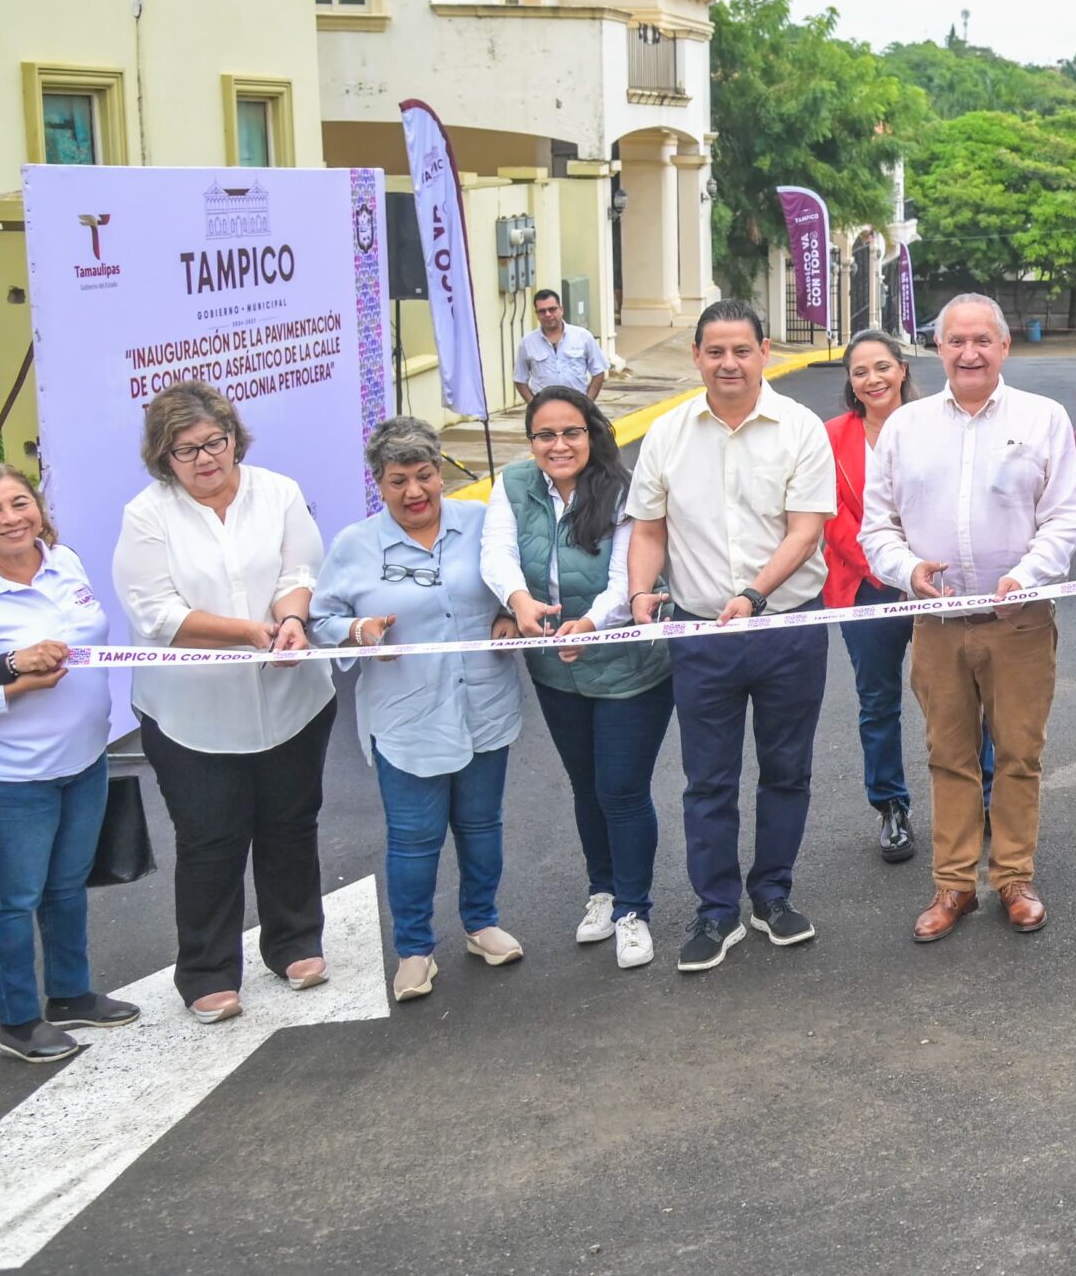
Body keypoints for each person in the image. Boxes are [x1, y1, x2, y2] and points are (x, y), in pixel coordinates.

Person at [863, 294, 1076, 942]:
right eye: (956, 341)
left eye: (982, 340)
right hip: (937, 623)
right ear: (938, 349)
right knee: (950, 755)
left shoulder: (1042, 418)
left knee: (1019, 752)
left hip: (1019, 619)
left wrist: (1029, 574)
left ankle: (1013, 876)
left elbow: (1064, 517)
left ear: (1005, 346)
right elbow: (877, 527)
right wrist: (908, 572)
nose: (969, 352)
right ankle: (954, 884)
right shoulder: (906, 427)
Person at [624, 300, 837, 972]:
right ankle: (716, 911)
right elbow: (649, 528)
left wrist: (753, 595)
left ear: (764, 351)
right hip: (700, 633)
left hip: (785, 628)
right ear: (696, 356)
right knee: (707, 779)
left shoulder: (800, 428)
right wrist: (638, 595)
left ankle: (772, 895)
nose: (728, 363)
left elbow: (807, 530)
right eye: (714, 351)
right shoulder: (667, 433)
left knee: (786, 770)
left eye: (741, 350)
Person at [113, 381, 334, 1021]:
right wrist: (249, 634)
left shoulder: (278, 492)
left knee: (292, 825)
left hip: (292, 700)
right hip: (192, 717)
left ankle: (294, 942)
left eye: (216, 441)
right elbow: (156, 613)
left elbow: (303, 573)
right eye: (187, 451)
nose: (207, 458)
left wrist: (291, 620)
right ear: (164, 458)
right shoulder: (147, 514)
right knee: (210, 840)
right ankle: (208, 971)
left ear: (234, 436)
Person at [311, 418, 525, 1004]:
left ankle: (482, 925)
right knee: (413, 839)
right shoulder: (355, 546)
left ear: (439, 472)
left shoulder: (479, 523)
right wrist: (358, 629)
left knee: (482, 826)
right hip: (406, 717)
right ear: (378, 483)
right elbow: (318, 621)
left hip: (482, 703)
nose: (414, 492)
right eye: (398, 480)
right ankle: (414, 951)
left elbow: (510, 578)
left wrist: (507, 612)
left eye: (425, 476)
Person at [0, 465, 138, 1063]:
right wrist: (13, 677)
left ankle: (71, 993)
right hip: (6, 777)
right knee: (15, 899)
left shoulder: (65, 561)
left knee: (66, 887)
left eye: (20, 502)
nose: (11, 518)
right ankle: (18, 1021)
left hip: (83, 760)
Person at [482, 386, 673, 971]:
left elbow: (628, 575)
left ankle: (634, 910)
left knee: (620, 787)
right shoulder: (514, 484)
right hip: (555, 669)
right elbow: (497, 552)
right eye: (545, 435)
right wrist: (518, 601)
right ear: (532, 441)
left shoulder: (623, 488)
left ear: (591, 433)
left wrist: (590, 623)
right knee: (586, 784)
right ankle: (604, 891)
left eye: (571, 433)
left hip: (626, 666)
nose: (558, 445)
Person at [824, 329, 990, 865]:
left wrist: (921, 566)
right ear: (851, 384)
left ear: (902, 369)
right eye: (860, 372)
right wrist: (892, 567)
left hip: (936, 586)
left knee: (962, 696)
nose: (873, 379)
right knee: (878, 702)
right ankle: (891, 806)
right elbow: (833, 518)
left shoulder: (933, 424)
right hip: (866, 589)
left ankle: (984, 796)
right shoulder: (830, 438)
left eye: (882, 367)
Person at [513, 288, 608, 404]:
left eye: (552, 309)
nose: (548, 314)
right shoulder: (527, 342)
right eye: (542, 311)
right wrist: (534, 405)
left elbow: (598, 372)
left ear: (561, 309)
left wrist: (588, 403)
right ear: (536, 314)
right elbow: (519, 379)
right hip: (545, 411)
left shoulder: (583, 336)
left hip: (577, 407)